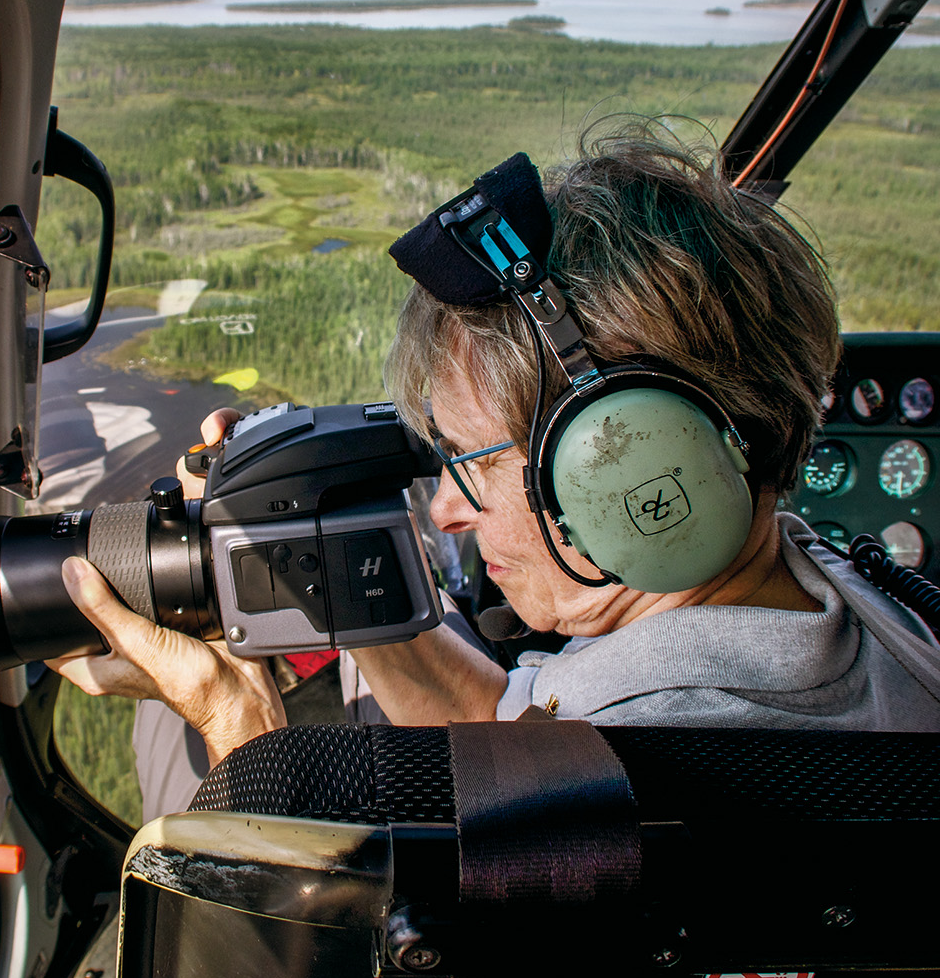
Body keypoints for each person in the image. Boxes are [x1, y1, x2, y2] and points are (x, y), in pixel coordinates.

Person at [49, 120, 940, 795]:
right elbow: (502, 731)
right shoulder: (863, 613)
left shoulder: (610, 793)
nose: (446, 512)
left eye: (469, 463)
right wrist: (339, 569)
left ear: (630, 464)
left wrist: (239, 727)